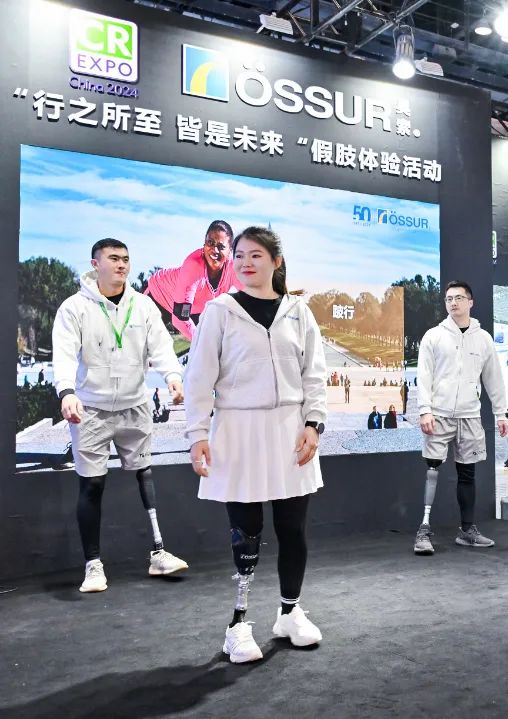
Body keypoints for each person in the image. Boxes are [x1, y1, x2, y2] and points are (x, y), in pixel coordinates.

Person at [186, 226, 327, 664]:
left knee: (293, 529)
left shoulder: (299, 312)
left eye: (256, 255)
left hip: (291, 432)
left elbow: (314, 374)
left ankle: (289, 613)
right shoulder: (220, 311)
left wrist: (313, 424)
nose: (246, 262)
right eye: (241, 255)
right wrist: (197, 434)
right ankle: (238, 624)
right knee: (246, 532)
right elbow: (199, 378)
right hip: (239, 431)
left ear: (276, 262)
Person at [52, 238, 189, 593]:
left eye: (126, 259)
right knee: (92, 484)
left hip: (134, 405)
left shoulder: (142, 306)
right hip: (91, 409)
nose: (122, 265)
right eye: (113, 258)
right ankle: (93, 566)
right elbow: (63, 354)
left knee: (145, 473)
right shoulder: (74, 308)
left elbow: (161, 346)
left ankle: (158, 553)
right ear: (95, 264)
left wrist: (173, 376)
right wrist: (66, 392)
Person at [414, 281, 508, 555]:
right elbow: (424, 375)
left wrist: (501, 413)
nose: (453, 303)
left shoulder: (483, 339)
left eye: (458, 298)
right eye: (448, 299)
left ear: (470, 302)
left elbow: (494, 379)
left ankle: (467, 531)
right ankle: (423, 530)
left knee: (468, 473)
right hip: (439, 414)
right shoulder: (434, 336)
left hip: (470, 416)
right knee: (432, 469)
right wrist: (425, 409)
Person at [145, 220, 240, 341]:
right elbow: (180, 319)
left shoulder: (234, 268)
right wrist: (202, 345)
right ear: (204, 243)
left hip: (194, 310)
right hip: (158, 297)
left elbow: (252, 299)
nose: (214, 250)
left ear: (230, 250)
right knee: (138, 345)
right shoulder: (193, 265)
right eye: (210, 242)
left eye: (221, 246)